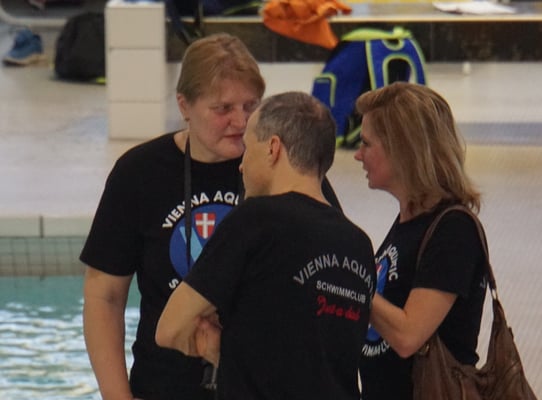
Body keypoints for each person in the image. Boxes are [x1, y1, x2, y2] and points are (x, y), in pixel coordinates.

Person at [81, 33, 340, 400]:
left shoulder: (285, 166)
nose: (240, 121)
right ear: (184, 105)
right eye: (223, 108)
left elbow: (331, 269)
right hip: (165, 387)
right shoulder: (140, 174)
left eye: (251, 105)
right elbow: (104, 296)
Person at [155, 91, 377, 400]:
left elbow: (169, 328)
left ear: (273, 148)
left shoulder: (255, 220)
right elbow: (316, 357)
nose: (241, 165)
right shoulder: (359, 244)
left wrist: (220, 351)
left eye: (248, 148)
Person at [354, 82, 487, 400]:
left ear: (403, 151)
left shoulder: (453, 230)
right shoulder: (408, 221)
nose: (358, 155)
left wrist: (349, 280)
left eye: (367, 144)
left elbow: (408, 336)